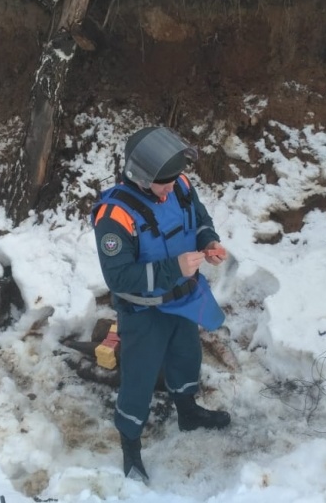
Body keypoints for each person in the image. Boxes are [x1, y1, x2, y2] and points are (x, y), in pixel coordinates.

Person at [92, 126, 231, 483]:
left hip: (185, 298)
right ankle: (130, 446)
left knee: (187, 357)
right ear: (140, 177)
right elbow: (119, 278)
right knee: (139, 378)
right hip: (144, 313)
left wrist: (209, 242)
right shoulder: (114, 215)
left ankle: (188, 412)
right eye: (163, 185)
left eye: (173, 181)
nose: (171, 189)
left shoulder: (179, 185)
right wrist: (174, 268)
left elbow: (199, 219)